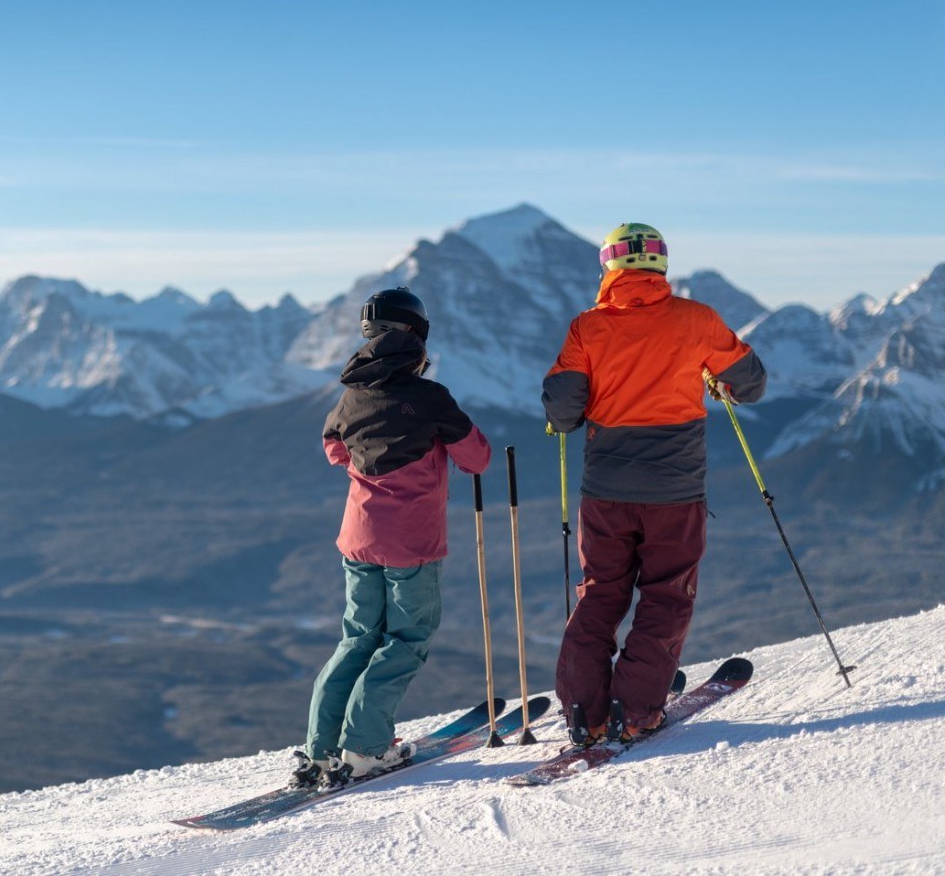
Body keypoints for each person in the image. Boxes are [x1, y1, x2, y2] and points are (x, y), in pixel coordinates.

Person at [542, 223, 767, 746]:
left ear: (609, 268)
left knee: (600, 594)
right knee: (667, 596)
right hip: (675, 491)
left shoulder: (586, 328)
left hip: (605, 490)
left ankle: (584, 710)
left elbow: (563, 410)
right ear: (660, 266)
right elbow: (750, 384)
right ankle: (638, 709)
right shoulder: (697, 320)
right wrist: (713, 378)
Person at [292, 287, 491, 787]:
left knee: (357, 638)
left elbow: (334, 449)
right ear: (417, 336)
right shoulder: (430, 398)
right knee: (405, 642)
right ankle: (365, 748)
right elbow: (477, 458)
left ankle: (320, 752)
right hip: (413, 546)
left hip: (358, 539)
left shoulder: (351, 394)